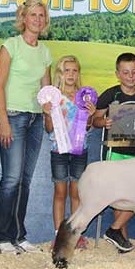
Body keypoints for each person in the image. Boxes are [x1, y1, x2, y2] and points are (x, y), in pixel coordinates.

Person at [0, 0, 52, 255]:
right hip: (13, 117)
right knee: (11, 179)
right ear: (23, 18)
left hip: (36, 120)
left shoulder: (46, 52)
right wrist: (3, 121)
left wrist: (49, 112)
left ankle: (18, 235)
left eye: (41, 15)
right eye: (32, 15)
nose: (37, 19)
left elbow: (46, 92)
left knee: (24, 181)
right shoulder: (10, 46)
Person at [92, 52, 135, 252]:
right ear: (118, 74)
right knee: (118, 197)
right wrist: (103, 122)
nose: (130, 76)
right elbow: (94, 121)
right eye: (125, 73)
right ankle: (122, 240)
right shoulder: (109, 94)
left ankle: (114, 231)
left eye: (133, 72)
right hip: (115, 152)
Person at [42, 55, 96, 249]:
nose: (71, 74)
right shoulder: (53, 98)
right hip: (58, 150)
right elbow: (48, 128)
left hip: (80, 151)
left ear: (78, 73)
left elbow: (88, 127)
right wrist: (47, 113)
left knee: (76, 193)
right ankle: (59, 235)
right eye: (67, 70)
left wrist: (90, 116)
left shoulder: (85, 98)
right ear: (60, 74)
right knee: (60, 192)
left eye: (74, 70)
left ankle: (74, 233)